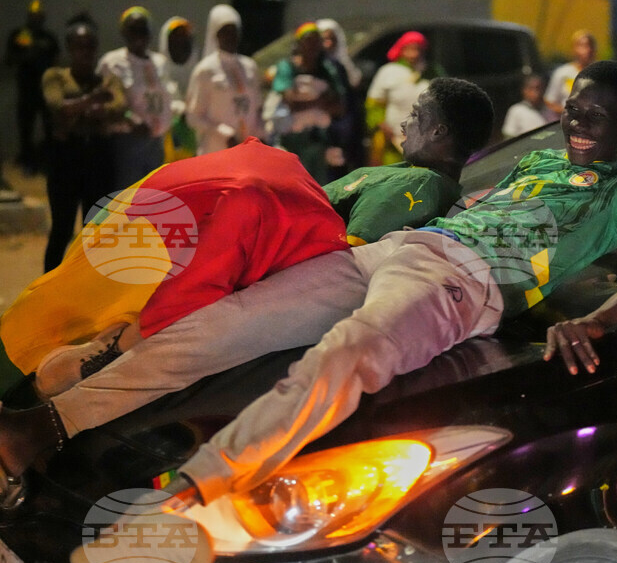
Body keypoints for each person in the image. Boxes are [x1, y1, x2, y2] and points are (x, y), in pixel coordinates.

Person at [0, 62, 617, 505]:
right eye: (573, 106)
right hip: (401, 248)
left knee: (347, 355)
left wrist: (597, 320)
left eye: (596, 113)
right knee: (221, 325)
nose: (577, 121)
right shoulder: (536, 163)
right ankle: (44, 425)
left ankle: (196, 490)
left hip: (460, 283)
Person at [0, 77, 492, 410]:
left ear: (439, 130)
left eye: (417, 115)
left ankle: (50, 397)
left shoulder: (423, 185)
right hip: (246, 251)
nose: (404, 121)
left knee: (117, 336)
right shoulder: (412, 173)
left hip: (251, 266)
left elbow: (342, 260)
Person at [40, 22, 128, 272]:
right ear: (69, 48)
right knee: (62, 228)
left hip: (98, 158)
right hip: (65, 160)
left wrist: (77, 109)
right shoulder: (56, 76)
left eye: (90, 46)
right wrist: (93, 101)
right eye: (79, 46)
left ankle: (88, 285)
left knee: (95, 230)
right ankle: (50, 285)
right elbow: (57, 106)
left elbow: (118, 107)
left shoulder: (108, 80)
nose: (85, 51)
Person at [96, 7, 174, 188]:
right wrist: (130, 119)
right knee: (129, 195)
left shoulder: (160, 62)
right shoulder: (112, 62)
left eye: (143, 30)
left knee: (154, 195)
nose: (138, 35)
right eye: (133, 30)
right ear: (124, 32)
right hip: (127, 141)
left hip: (157, 143)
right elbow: (105, 100)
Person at [269, 22, 346, 182]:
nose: (313, 46)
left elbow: (339, 106)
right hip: (292, 141)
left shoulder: (327, 70)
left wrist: (314, 102)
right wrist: (319, 102)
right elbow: (290, 102)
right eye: (308, 41)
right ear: (299, 44)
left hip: (319, 142)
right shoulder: (287, 67)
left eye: (316, 41)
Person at [186, 5, 265, 155]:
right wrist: (222, 133)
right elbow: (193, 117)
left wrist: (261, 135)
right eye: (225, 31)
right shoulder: (205, 70)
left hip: (248, 150)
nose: (230, 36)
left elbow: (257, 109)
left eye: (234, 31)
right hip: (216, 150)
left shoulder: (250, 67)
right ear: (215, 34)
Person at [366, 30, 442, 165]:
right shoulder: (388, 71)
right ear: (401, 49)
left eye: (418, 49)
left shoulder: (433, 71)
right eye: (410, 49)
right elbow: (374, 105)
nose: (414, 54)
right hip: (393, 140)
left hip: (425, 140)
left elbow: (443, 100)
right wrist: (382, 125)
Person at [5, 0, 59, 174]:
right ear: (29, 16)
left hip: (46, 91)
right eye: (33, 15)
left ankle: (49, 163)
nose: (36, 18)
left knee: (50, 128)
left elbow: (56, 61)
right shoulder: (21, 35)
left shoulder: (48, 37)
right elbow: (9, 60)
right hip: (27, 90)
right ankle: (28, 162)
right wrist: (27, 54)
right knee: (26, 130)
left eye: (39, 15)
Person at [316, 18, 365, 176]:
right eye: (324, 39)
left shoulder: (341, 66)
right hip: (321, 133)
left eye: (332, 39)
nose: (328, 44)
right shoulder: (315, 67)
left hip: (344, 132)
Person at [158, 16, 199, 162]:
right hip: (163, 156)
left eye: (185, 40)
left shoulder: (202, 74)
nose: (181, 45)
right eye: (175, 40)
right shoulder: (155, 72)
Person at [545, 29, 597, 114]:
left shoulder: (600, 74)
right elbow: (550, 101)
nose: (587, 50)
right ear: (574, 49)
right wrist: (567, 112)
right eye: (582, 46)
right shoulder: (562, 73)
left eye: (589, 46)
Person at [502, 74, 557, 138]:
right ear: (524, 90)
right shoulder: (516, 110)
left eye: (539, 88)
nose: (536, 92)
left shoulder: (550, 108)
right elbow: (509, 135)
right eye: (531, 89)